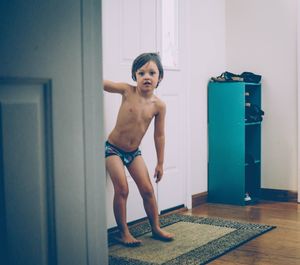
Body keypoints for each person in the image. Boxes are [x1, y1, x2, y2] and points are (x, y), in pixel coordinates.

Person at [104, 52, 174, 247]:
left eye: (152, 72)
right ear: (134, 76)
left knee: (148, 190)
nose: (147, 77)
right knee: (122, 189)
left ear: (159, 77)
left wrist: (160, 163)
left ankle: (156, 228)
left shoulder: (159, 105)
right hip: (113, 150)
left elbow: (159, 135)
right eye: (141, 72)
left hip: (134, 153)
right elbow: (104, 83)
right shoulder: (127, 91)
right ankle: (123, 232)